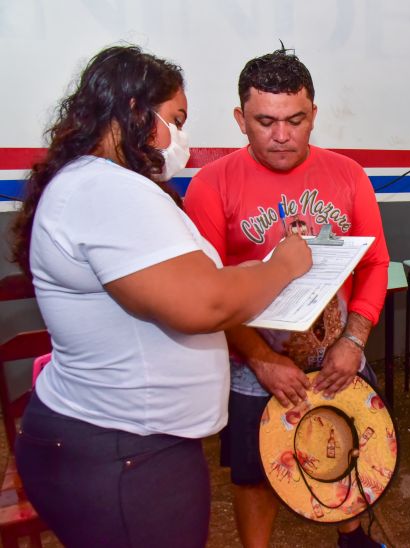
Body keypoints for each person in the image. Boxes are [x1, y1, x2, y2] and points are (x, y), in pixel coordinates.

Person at [10, 45, 311, 547]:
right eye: (175, 119)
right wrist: (284, 263)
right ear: (133, 111)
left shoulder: (105, 184)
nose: (183, 140)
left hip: (130, 442)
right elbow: (206, 303)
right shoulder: (105, 190)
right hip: (121, 451)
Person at [183, 49, 389, 548]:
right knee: (257, 472)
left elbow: (376, 264)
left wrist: (355, 340)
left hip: (337, 346)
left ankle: (352, 534)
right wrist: (261, 360)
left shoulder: (348, 174)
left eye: (296, 120)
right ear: (240, 120)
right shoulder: (212, 185)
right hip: (255, 353)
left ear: (313, 114)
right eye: (266, 121)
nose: (282, 135)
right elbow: (205, 291)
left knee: (343, 443)